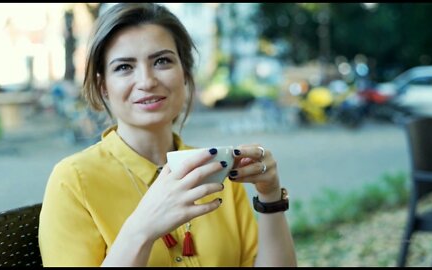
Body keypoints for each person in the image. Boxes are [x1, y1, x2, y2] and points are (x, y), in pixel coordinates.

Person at [38, 3, 297, 267]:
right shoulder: (73, 182)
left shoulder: (219, 170)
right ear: (103, 86)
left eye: (162, 61)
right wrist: (141, 230)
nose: (147, 81)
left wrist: (271, 197)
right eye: (124, 67)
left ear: (185, 73)